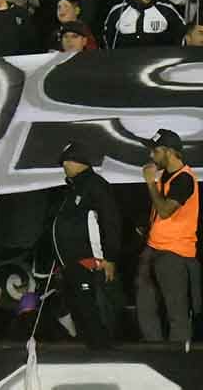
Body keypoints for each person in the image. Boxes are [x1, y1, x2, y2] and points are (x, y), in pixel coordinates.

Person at [53, 140, 122, 349]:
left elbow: (111, 221)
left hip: (92, 262)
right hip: (73, 264)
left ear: (78, 161)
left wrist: (110, 257)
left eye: (66, 161)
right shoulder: (74, 188)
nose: (64, 166)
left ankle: (104, 352)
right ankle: (91, 351)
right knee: (82, 312)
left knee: (95, 311)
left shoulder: (95, 185)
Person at [136, 129, 200, 343]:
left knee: (176, 312)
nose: (151, 156)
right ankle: (154, 352)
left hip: (175, 254)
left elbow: (165, 210)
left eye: (155, 151)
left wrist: (150, 183)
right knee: (145, 304)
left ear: (170, 152)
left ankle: (178, 360)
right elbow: (160, 214)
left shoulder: (185, 180)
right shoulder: (165, 175)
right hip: (154, 248)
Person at [103, 0, 186, 48]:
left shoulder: (166, 10)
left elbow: (182, 33)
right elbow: (107, 38)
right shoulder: (118, 10)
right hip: (125, 61)